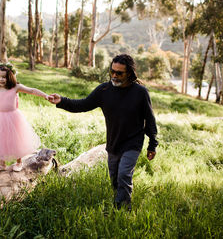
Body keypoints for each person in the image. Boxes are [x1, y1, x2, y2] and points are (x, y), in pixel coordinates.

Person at [48, 54, 158, 211]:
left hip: (133, 142)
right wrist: (62, 101)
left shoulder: (140, 92)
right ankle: (120, 200)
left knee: (124, 175)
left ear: (130, 74)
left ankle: (122, 211)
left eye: (119, 73)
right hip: (113, 142)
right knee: (114, 178)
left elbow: (150, 120)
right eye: (112, 71)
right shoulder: (104, 90)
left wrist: (152, 144)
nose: (114, 75)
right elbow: (82, 105)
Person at [0, 63, 51, 172]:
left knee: (16, 139)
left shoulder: (15, 87)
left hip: (13, 117)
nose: (1, 79)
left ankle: (19, 162)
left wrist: (45, 95)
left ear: (10, 77)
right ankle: (1, 164)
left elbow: (32, 90)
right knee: (0, 139)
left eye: (4, 77)